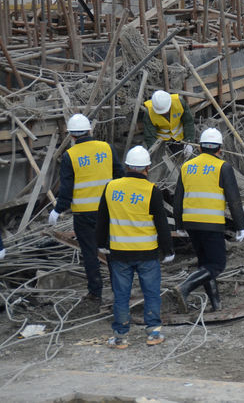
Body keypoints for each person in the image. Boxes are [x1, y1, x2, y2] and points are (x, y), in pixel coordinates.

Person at [96, 146, 174, 349]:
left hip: (119, 253)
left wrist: (101, 244)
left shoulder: (111, 187)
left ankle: (120, 337)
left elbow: (103, 219)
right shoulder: (152, 191)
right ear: (147, 167)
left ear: (127, 166)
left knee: (121, 295)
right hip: (147, 254)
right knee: (151, 293)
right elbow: (162, 224)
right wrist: (168, 251)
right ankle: (153, 333)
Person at [49, 114, 124, 308]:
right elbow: (120, 176)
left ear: (72, 136)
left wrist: (58, 210)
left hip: (83, 215)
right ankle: (120, 290)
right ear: (90, 130)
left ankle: (95, 292)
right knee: (112, 250)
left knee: (90, 253)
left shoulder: (70, 156)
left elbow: (66, 189)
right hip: (107, 211)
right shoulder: (106, 148)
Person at [172, 128, 244, 313]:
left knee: (205, 265)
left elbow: (178, 198)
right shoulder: (223, 167)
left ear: (199, 148)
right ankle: (185, 287)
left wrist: (179, 224)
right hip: (211, 223)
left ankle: (216, 304)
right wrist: (240, 226)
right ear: (220, 149)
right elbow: (234, 199)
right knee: (217, 265)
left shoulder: (187, 166)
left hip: (191, 223)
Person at [143, 90, 196, 157]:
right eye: (161, 112)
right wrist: (156, 152)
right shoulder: (149, 113)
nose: (164, 113)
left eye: (166, 111)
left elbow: (188, 122)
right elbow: (150, 136)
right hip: (162, 144)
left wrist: (189, 142)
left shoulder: (179, 102)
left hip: (180, 139)